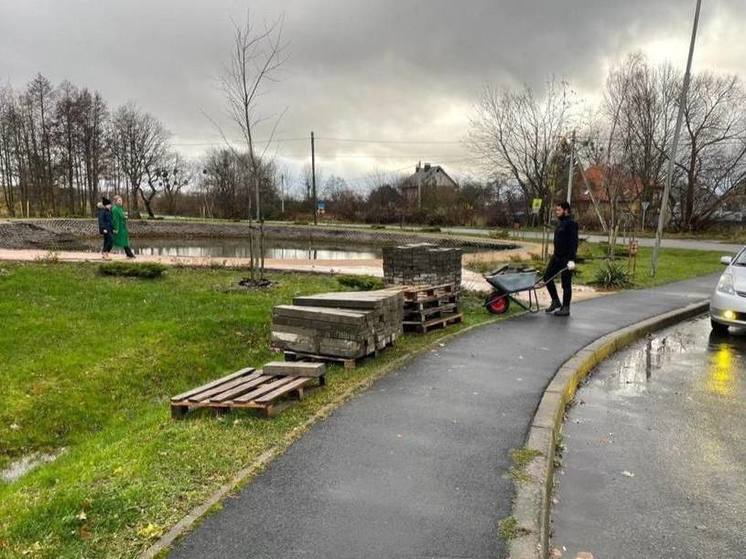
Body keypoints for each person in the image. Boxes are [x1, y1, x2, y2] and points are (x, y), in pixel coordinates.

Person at [544, 201, 578, 317]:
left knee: (566, 284)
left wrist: (572, 259)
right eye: (556, 210)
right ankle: (555, 301)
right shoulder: (560, 223)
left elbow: (574, 242)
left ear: (566, 210)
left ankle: (566, 307)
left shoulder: (571, 224)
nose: (556, 212)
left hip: (566, 258)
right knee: (547, 277)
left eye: (559, 210)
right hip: (556, 256)